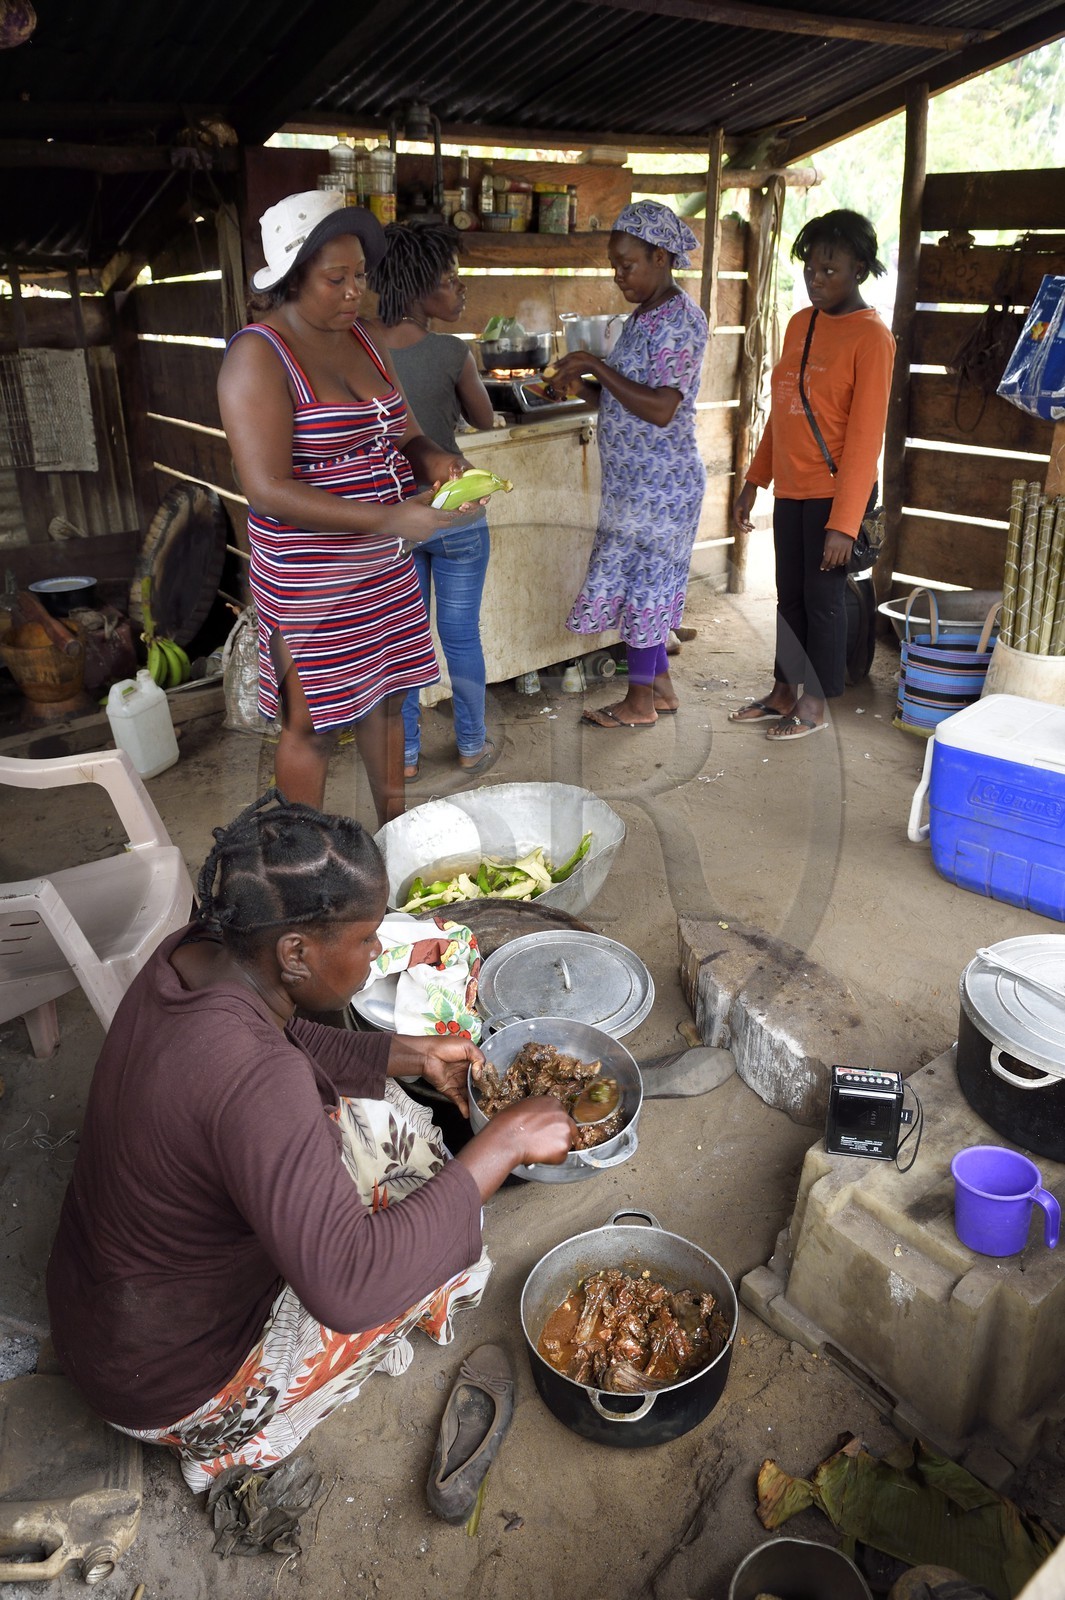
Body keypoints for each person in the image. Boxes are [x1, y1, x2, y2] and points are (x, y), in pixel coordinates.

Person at [45, 791, 574, 1495]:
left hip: (102, 1315)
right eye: (365, 938)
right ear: (294, 951)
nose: (376, 950)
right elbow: (349, 1288)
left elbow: (276, 1033)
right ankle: (241, 1430)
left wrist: (405, 1053)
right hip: (171, 1385)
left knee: (380, 1111)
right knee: (440, 1217)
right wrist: (500, 1146)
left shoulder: (192, 955)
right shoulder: (257, 1081)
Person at [217, 190, 476, 827]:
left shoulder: (366, 339)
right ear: (291, 278)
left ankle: (394, 838)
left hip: (383, 566)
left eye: (360, 275)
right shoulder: (258, 356)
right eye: (336, 278)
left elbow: (405, 432)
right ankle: (308, 859)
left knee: (386, 699)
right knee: (313, 722)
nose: (354, 291)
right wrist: (392, 518)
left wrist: (434, 459)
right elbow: (267, 487)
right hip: (311, 574)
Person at [729, 209, 895, 741]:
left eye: (831, 271)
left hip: (835, 493)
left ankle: (817, 703)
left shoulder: (872, 338)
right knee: (789, 595)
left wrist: (845, 523)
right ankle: (783, 690)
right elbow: (784, 410)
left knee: (823, 601)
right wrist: (754, 481)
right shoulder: (802, 323)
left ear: (860, 271)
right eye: (810, 270)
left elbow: (867, 439)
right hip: (793, 488)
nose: (817, 281)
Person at [547, 200, 708, 729]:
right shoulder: (643, 316)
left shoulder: (681, 321)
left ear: (660, 257)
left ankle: (638, 704)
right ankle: (659, 688)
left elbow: (662, 407)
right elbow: (627, 396)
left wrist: (595, 363)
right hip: (634, 484)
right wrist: (582, 386)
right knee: (643, 584)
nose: (618, 276)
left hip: (663, 484)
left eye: (627, 264)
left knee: (646, 589)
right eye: (614, 266)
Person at [371, 222, 499, 782]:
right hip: (455, 513)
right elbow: (485, 418)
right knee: (461, 636)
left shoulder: (361, 349)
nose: (460, 289)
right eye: (449, 280)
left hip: (393, 519)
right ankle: (471, 745)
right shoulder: (451, 351)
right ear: (421, 289)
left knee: (400, 643)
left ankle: (404, 757)